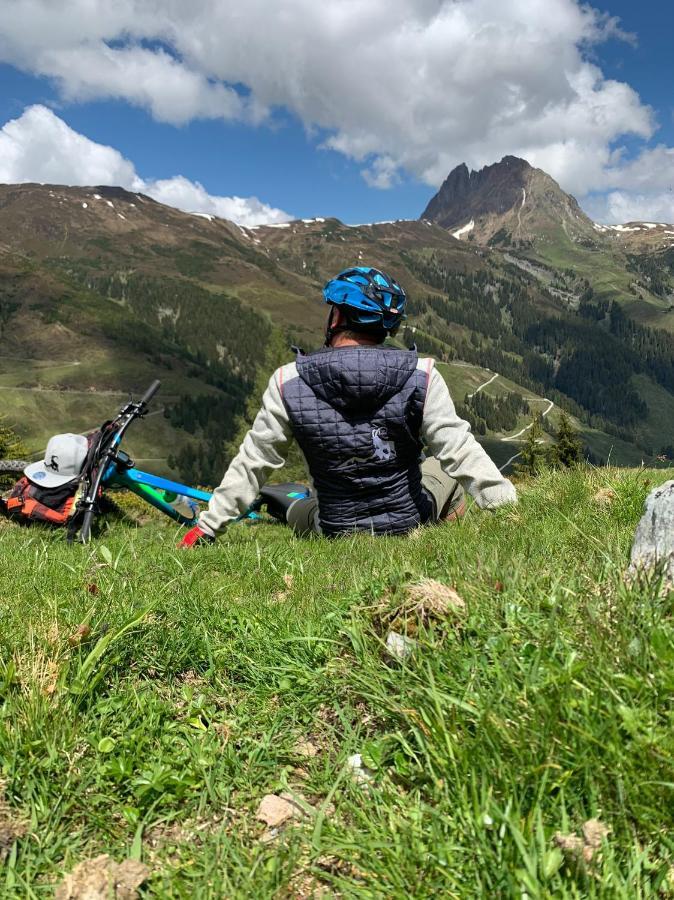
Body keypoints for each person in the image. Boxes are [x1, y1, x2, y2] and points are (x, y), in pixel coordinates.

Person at [180, 267, 515, 546]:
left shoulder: (287, 380)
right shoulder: (421, 374)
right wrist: (509, 511)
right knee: (442, 468)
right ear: (386, 326)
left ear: (336, 315)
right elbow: (458, 448)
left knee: (299, 510)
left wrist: (206, 528)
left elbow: (253, 461)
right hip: (407, 525)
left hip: (335, 531)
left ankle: (287, 508)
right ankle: (439, 541)